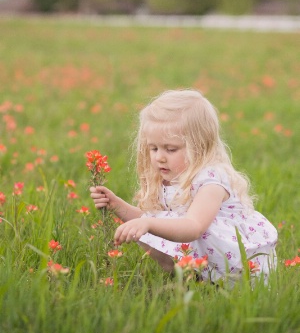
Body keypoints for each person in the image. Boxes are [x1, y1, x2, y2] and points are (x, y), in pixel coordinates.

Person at [90, 89, 277, 283]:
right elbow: (151, 220)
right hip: (208, 261)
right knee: (154, 226)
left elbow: (193, 227)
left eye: (170, 149)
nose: (159, 157)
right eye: (153, 148)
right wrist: (116, 205)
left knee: (156, 225)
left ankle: (204, 281)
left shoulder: (211, 180)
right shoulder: (170, 176)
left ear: (200, 146)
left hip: (239, 270)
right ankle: (190, 279)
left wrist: (148, 224)